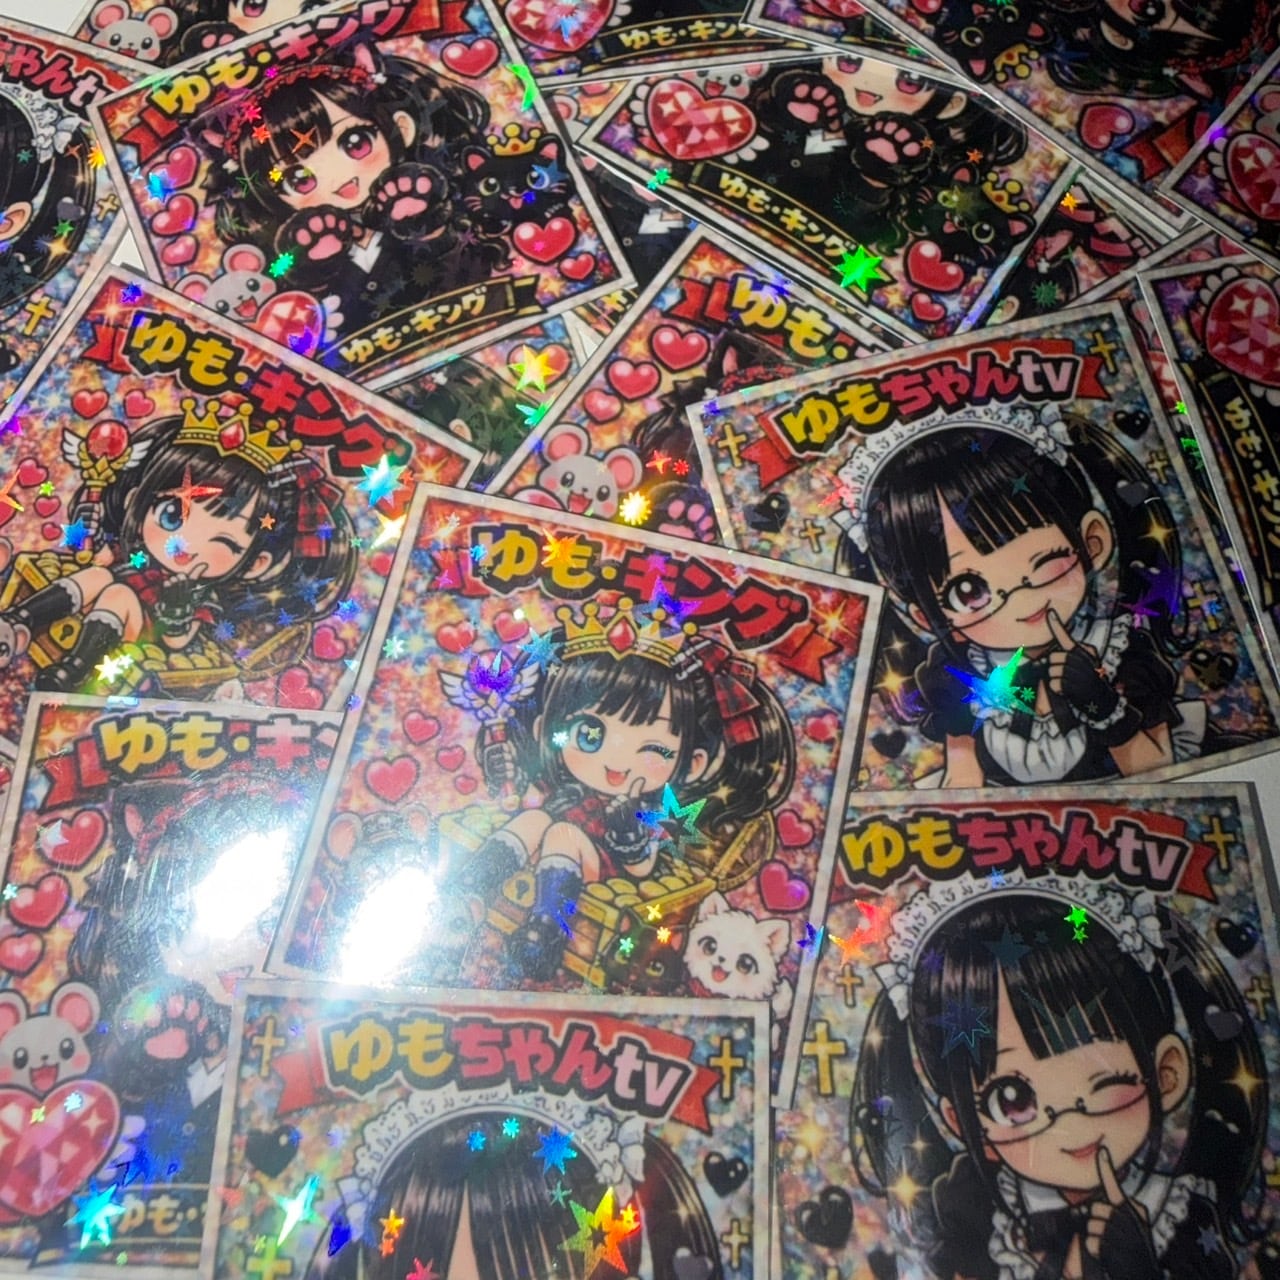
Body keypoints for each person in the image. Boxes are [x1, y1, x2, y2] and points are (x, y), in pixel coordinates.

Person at [850, 886, 1268, 1280]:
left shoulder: (1180, 1217)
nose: (1067, 1121)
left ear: (1166, 1075)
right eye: (1011, 1099)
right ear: (965, 1122)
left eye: (1103, 1080)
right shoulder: (973, 1220)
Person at [834, 406, 1213, 786]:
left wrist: (1103, 705)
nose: (1019, 599)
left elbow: (1164, 775)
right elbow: (962, 782)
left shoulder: (1121, 651)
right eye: (968, 592)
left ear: (1092, 543)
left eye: (1044, 562)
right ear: (928, 616)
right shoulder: (960, 673)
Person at [444, 598, 796, 978]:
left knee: (562, 834)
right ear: (546, 727)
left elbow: (643, 868)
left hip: (602, 868)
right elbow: (520, 802)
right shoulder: (561, 785)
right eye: (590, 734)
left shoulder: (655, 809)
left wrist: (628, 834)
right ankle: (466, 894)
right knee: (534, 821)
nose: (615, 763)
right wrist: (505, 769)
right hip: (545, 847)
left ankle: (547, 927)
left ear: (692, 763)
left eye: (653, 749)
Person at [0, 401, 356, 692]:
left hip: (141, 635)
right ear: (137, 500)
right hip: (99, 605)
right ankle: (17, 623)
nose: (186, 543)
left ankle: (74, 669)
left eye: (223, 542)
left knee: (118, 594)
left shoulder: (201, 595)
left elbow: (177, 644)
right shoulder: (134, 555)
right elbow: (95, 559)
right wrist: (89, 523)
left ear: (255, 563)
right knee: (97, 576)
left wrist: (175, 612)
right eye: (173, 515)